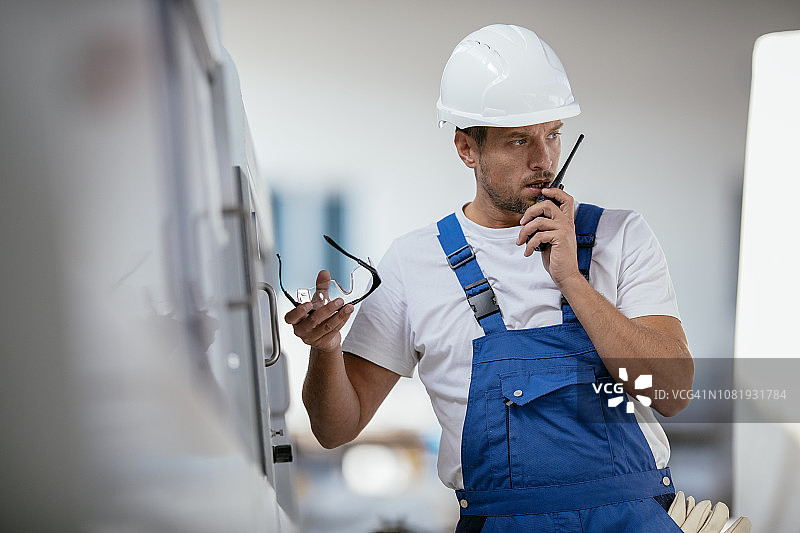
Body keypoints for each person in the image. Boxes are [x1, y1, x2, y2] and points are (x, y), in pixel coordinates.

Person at [285, 24, 694, 532]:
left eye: (552, 134)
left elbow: (673, 394)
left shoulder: (620, 236)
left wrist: (573, 280)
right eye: (519, 140)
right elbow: (333, 428)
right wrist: (324, 353)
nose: (543, 160)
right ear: (466, 148)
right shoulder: (414, 263)